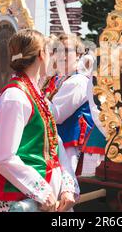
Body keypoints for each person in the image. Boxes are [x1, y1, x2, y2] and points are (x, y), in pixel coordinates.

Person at [0, 29, 79, 212]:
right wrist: (41, 190)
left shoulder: (37, 95)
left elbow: (55, 145)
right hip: (21, 198)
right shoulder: (15, 97)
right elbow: (3, 157)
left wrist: (67, 187)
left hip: (46, 197)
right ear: (42, 55)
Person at [49, 33, 105, 173]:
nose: (62, 55)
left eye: (67, 50)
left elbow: (55, 115)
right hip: (58, 143)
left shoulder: (78, 81)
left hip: (70, 147)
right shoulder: (57, 79)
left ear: (79, 54)